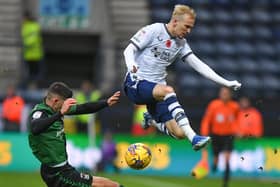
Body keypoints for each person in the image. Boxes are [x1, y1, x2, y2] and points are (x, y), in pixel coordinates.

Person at [123, 4, 241, 151]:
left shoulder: (181, 44)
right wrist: (131, 64)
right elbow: (129, 49)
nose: (189, 31)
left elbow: (200, 66)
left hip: (156, 92)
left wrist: (226, 83)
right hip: (136, 84)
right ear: (175, 22)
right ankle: (194, 137)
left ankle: (152, 120)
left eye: (191, 27)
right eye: (187, 26)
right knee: (168, 91)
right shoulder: (154, 30)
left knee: (179, 133)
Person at [28, 82, 123, 187]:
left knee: (109, 184)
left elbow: (83, 108)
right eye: (64, 103)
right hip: (57, 173)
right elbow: (35, 128)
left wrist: (106, 102)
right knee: (106, 185)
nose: (66, 107)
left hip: (64, 169)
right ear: (55, 101)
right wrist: (60, 113)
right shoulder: (40, 113)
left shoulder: (56, 109)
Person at [200, 87, 239, 187]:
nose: (224, 95)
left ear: (230, 95)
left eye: (226, 93)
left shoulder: (235, 106)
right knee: (216, 157)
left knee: (227, 159)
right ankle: (215, 163)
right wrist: (204, 133)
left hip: (228, 136)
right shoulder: (214, 105)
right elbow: (207, 120)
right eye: (222, 93)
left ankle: (225, 182)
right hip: (216, 135)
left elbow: (237, 120)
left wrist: (237, 130)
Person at [21, 11, 44, 87]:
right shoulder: (25, 26)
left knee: (35, 73)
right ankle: (31, 86)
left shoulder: (34, 26)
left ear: (26, 18)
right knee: (30, 73)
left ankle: (34, 86)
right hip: (28, 54)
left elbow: (33, 39)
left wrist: (25, 43)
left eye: (23, 18)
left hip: (35, 54)